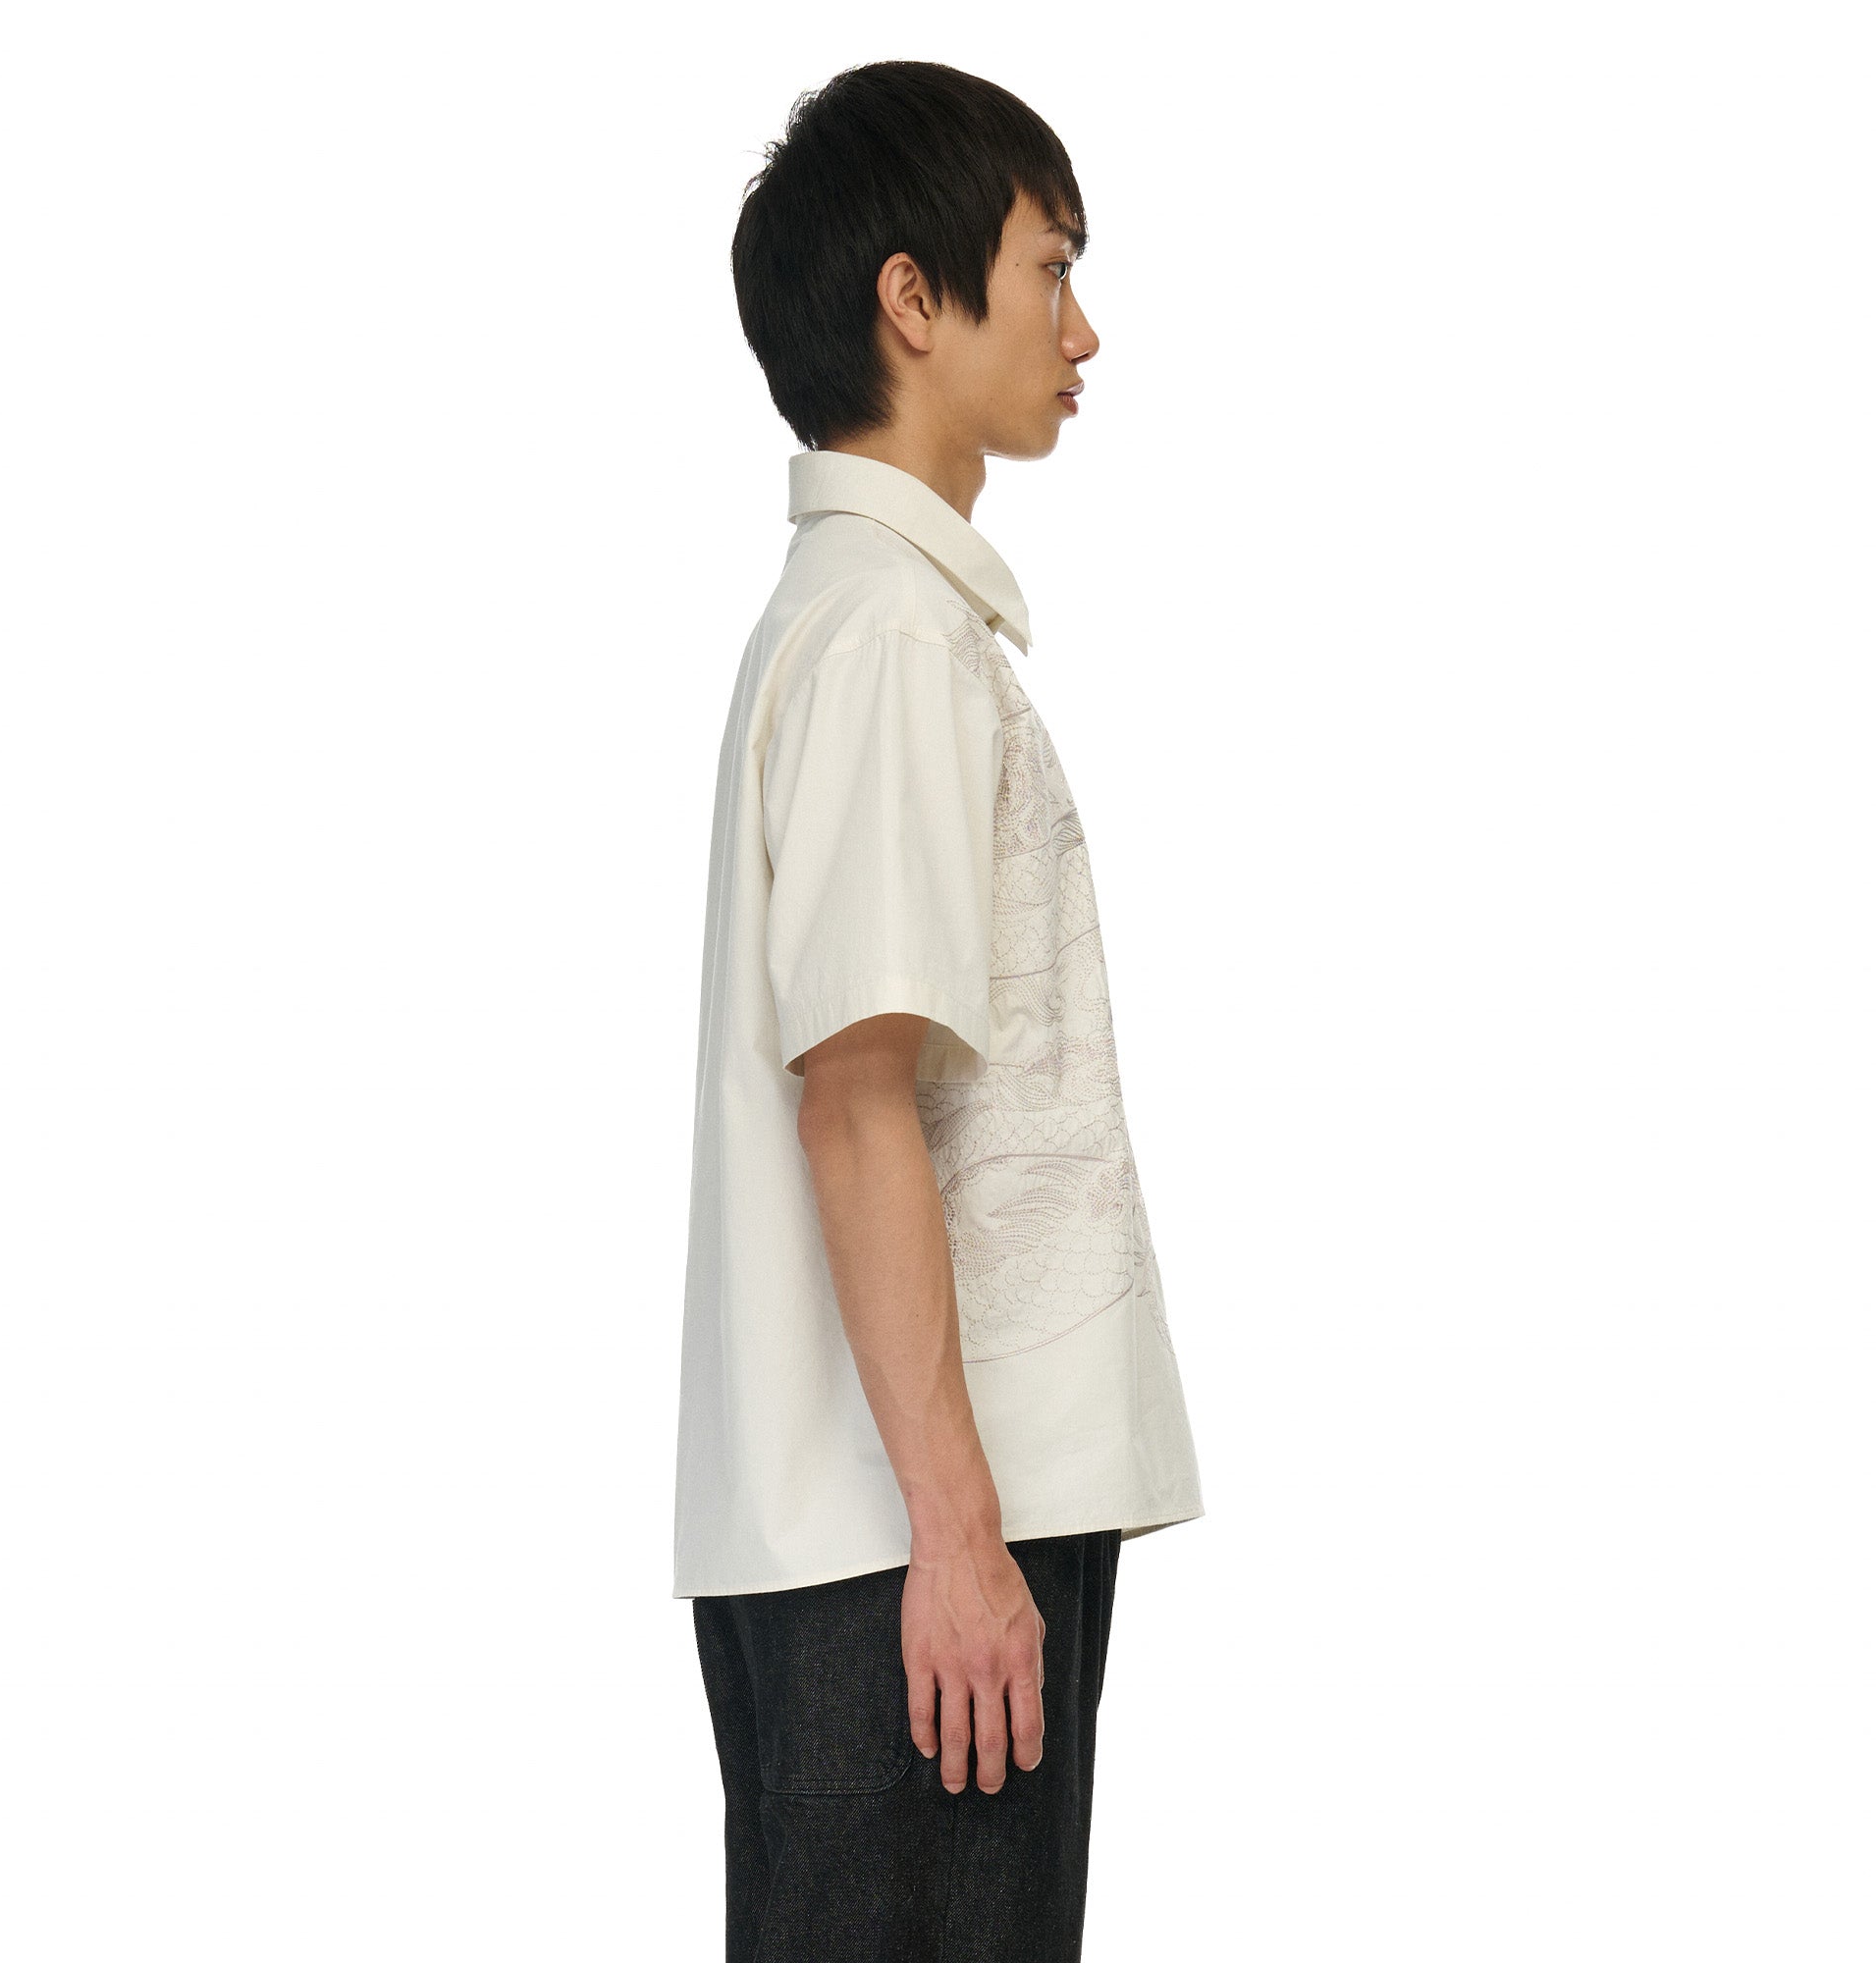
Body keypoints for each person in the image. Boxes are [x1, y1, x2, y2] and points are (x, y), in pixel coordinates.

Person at [673, 58, 1206, 1959]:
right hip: (906, 1545)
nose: (1083, 328)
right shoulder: (889, 634)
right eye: (1050, 267)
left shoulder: (866, 619)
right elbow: (855, 1093)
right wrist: (962, 1539)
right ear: (915, 298)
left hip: (881, 1532)